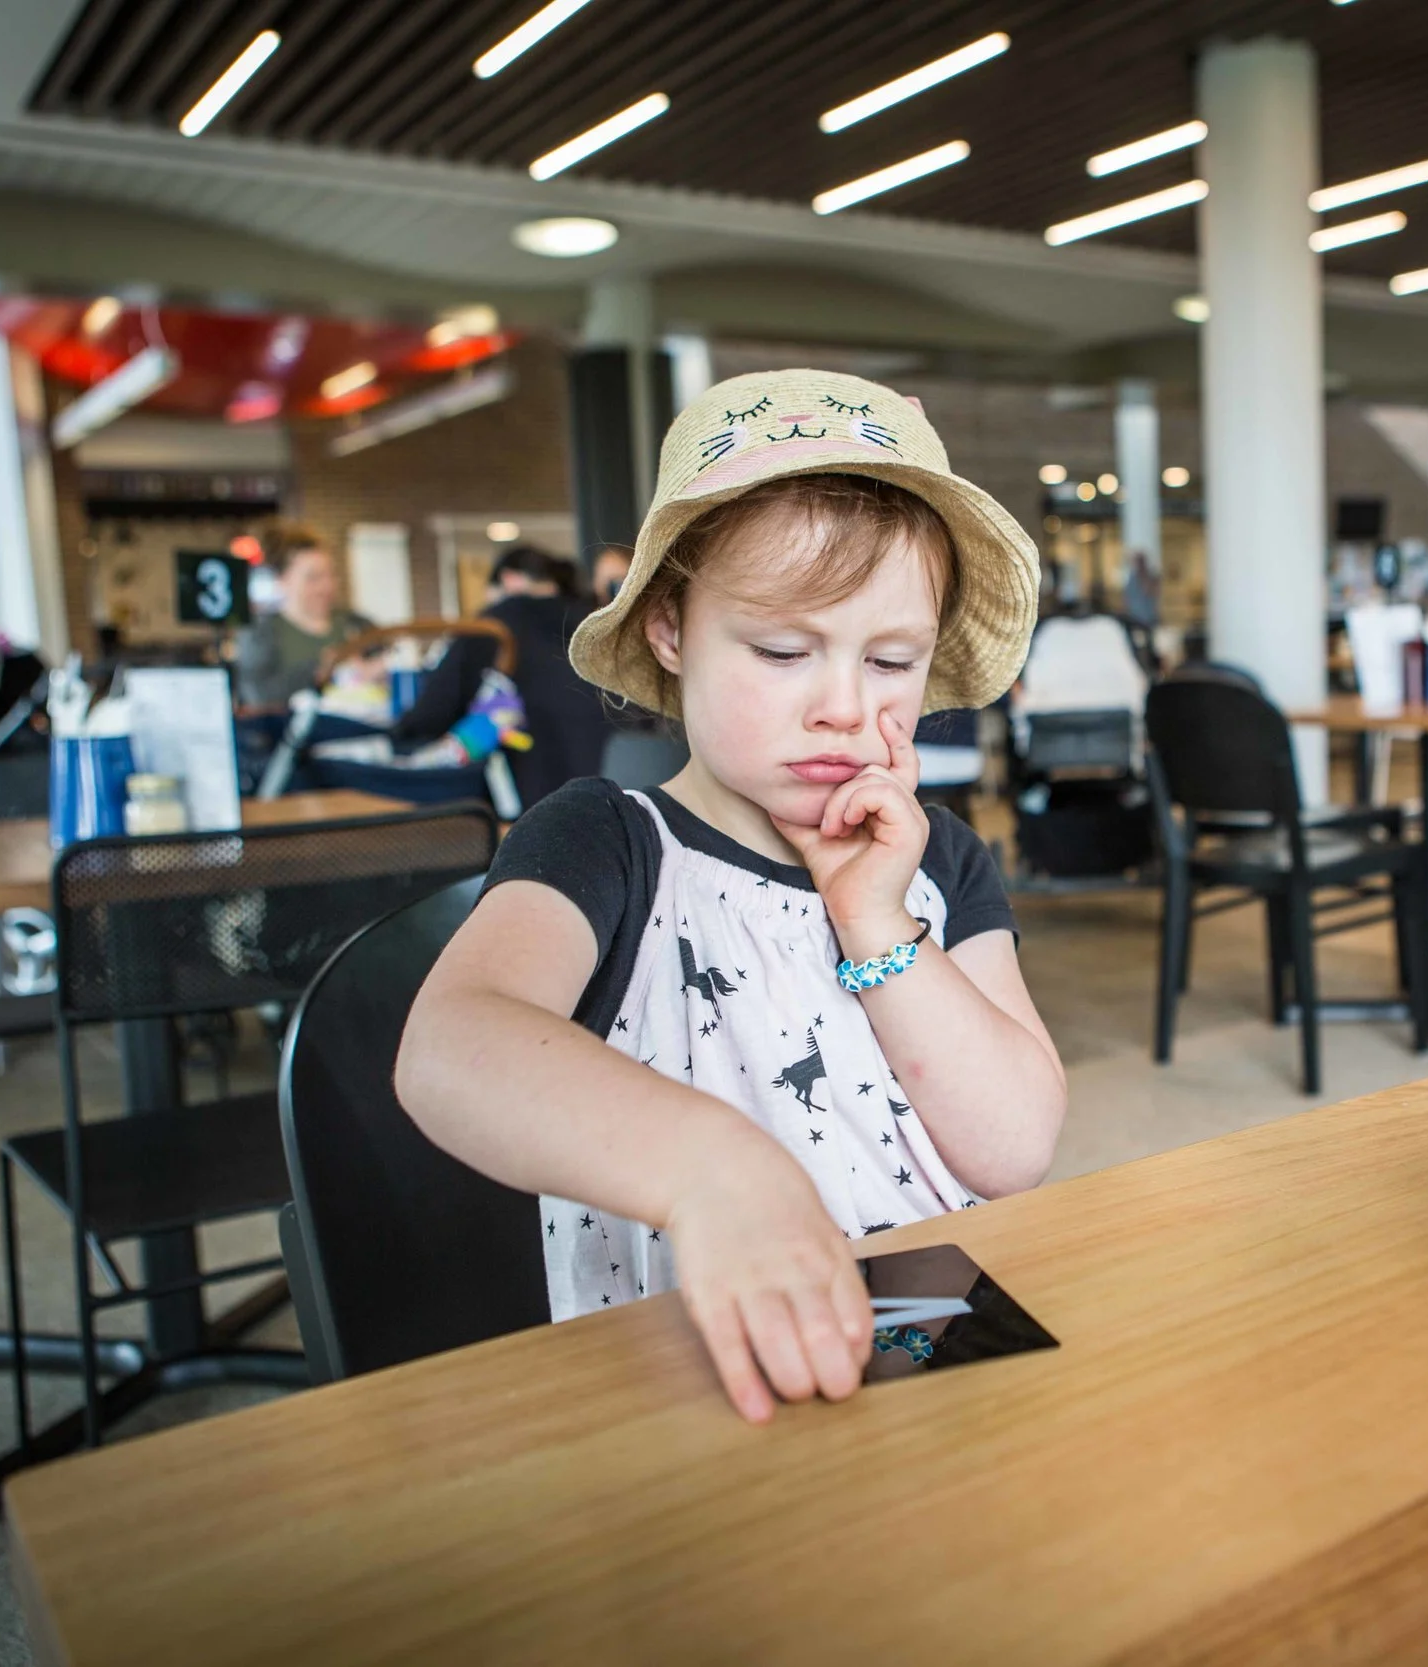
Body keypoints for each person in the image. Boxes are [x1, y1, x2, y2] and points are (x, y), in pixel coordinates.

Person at [397, 369, 1062, 1425]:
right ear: (670, 627)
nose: (844, 707)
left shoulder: (940, 866)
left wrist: (877, 918)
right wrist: (714, 1167)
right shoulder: (608, 841)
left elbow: (1016, 1143)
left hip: (929, 1329)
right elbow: (448, 1049)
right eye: (784, 650)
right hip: (681, 1360)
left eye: (892, 660)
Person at [393, 545, 612, 805]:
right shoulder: (598, 618)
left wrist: (397, 735)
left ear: (508, 579)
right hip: (623, 791)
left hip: (538, 804)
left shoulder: (496, 626)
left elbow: (432, 711)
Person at [233, 521, 373, 708]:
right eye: (313, 578)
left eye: (331, 575)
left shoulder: (355, 623)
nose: (326, 586)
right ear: (282, 580)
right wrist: (322, 667)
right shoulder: (260, 633)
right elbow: (257, 696)